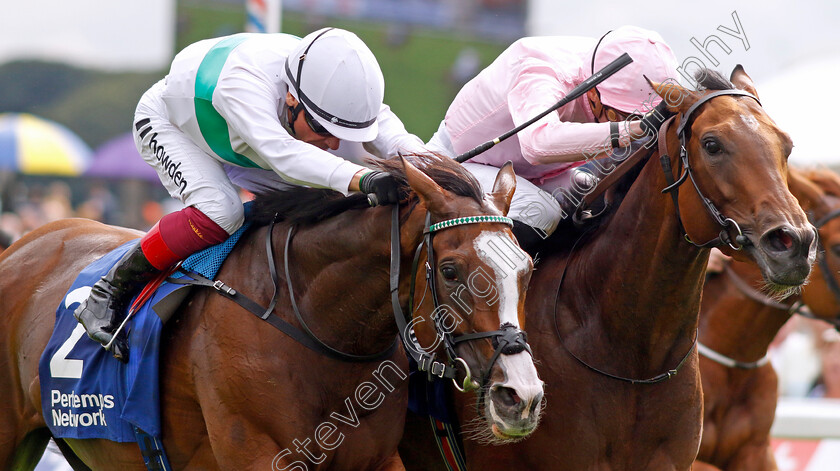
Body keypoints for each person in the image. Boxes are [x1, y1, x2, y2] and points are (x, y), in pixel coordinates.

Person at [74, 27, 427, 360]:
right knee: (221, 211)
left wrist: (428, 165)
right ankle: (108, 292)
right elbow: (282, 155)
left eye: (339, 133)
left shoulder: (327, 85)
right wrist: (363, 179)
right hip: (174, 126)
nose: (333, 144)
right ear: (291, 98)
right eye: (322, 128)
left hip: (243, 142)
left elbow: (387, 130)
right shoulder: (242, 84)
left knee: (326, 209)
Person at [426, 25, 679, 249]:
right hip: (460, 163)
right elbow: (538, 144)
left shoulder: (610, 66)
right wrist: (633, 129)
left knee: (596, 195)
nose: (632, 126)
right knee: (543, 213)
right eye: (624, 116)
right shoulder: (542, 70)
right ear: (594, 96)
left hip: (529, 171)